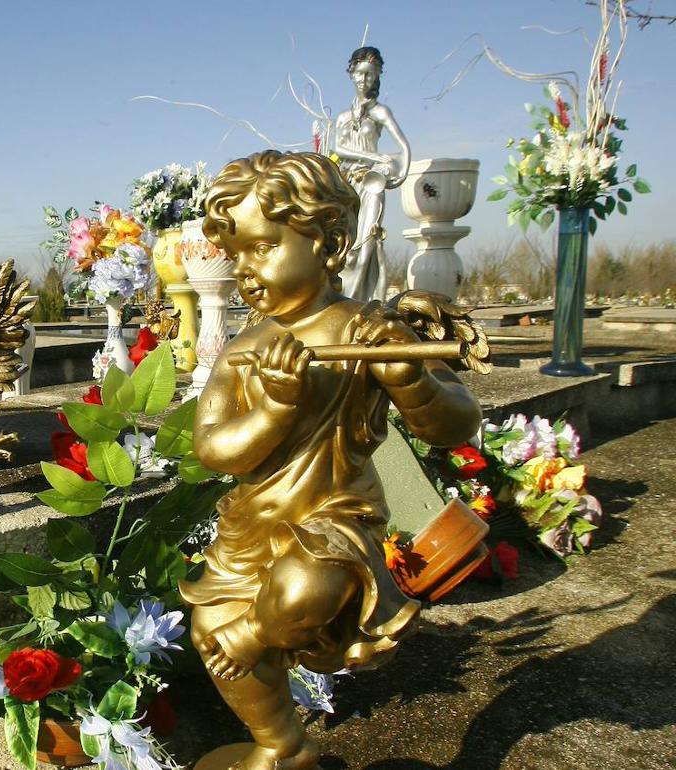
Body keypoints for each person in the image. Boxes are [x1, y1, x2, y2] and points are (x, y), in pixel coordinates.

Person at [182, 151, 480, 770]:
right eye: (235, 256)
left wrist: (410, 380)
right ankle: (283, 747)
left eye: (262, 248)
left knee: (303, 585)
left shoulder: (369, 331)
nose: (245, 270)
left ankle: (257, 635)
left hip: (334, 520)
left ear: (329, 243)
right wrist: (271, 412)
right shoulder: (244, 350)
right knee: (210, 627)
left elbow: (454, 425)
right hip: (254, 526)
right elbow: (212, 449)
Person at [332, 46, 410, 302]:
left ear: (377, 76)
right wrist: (375, 156)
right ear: (351, 73)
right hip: (345, 184)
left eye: (370, 74)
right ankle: (342, 301)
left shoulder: (380, 112)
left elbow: (403, 146)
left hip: (372, 182)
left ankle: (364, 303)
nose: (364, 79)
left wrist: (399, 175)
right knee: (346, 248)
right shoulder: (343, 116)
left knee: (367, 243)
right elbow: (339, 149)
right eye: (360, 73)